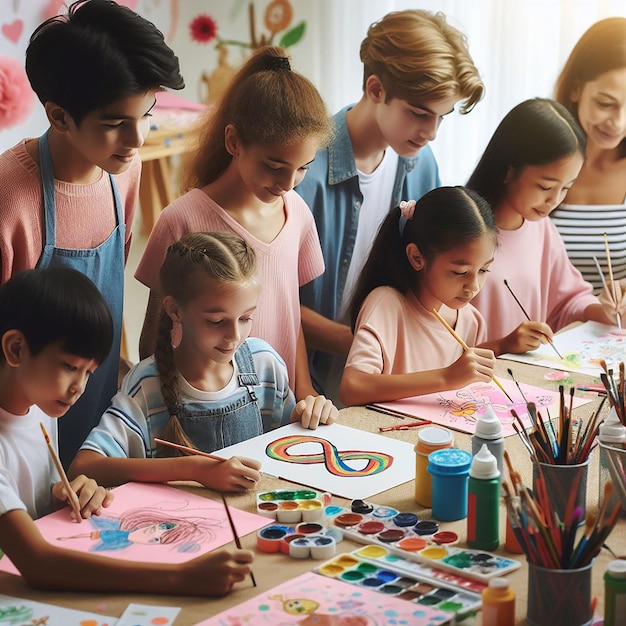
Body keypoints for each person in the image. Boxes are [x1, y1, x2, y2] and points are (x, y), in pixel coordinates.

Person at [0, 0, 185, 467]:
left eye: (146, 114)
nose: (138, 139)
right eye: (114, 124)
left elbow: (105, 300)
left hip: (98, 424)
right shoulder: (10, 200)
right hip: (19, 442)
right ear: (59, 116)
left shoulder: (123, 171)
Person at [0, 267, 251, 596]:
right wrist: (178, 577)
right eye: (70, 367)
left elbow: (32, 496)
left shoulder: (38, 403)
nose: (79, 387)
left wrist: (70, 490)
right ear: (16, 349)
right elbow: (37, 562)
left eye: (89, 372)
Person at [135, 45, 335, 419]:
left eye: (302, 168)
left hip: (279, 412)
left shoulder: (298, 215)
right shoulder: (182, 219)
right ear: (233, 142)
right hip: (201, 414)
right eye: (274, 166)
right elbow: (152, 338)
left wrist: (305, 392)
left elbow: (292, 320)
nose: (288, 184)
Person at [296, 9, 485, 404]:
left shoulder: (422, 164)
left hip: (389, 388)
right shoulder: (305, 172)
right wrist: (369, 340)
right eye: (419, 113)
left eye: (441, 117)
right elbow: (270, 303)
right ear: (376, 88)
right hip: (308, 387)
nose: (430, 132)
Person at [71, 232, 337, 490]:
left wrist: (309, 414)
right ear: (175, 311)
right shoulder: (146, 385)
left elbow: (285, 443)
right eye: (216, 321)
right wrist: (194, 470)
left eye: (245, 318)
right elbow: (84, 466)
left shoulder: (264, 364)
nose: (234, 336)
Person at [467, 98, 620, 355]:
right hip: (470, 385)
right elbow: (436, 339)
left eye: (566, 188)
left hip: (526, 380)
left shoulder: (542, 228)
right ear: (508, 169)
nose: (555, 200)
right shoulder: (462, 232)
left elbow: (569, 302)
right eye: (545, 187)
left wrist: (608, 309)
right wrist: (503, 345)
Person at [339, 187, 497, 406]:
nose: (474, 286)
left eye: (483, 270)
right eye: (460, 272)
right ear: (416, 257)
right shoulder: (386, 305)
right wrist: (445, 378)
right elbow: (352, 387)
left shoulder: (471, 320)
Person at [551, 17, 626, 304]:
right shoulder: (533, 159)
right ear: (576, 89)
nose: (618, 122)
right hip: (540, 339)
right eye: (606, 103)